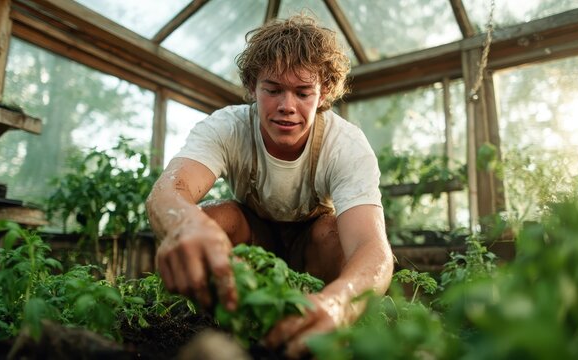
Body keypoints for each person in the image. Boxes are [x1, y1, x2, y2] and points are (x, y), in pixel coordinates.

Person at [146, 15, 393, 358]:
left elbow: (371, 247)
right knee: (217, 218)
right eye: (273, 89)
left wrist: (340, 303)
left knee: (333, 232)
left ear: (324, 94)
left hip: (313, 247)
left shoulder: (345, 145)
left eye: (303, 92)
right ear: (252, 87)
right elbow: (170, 190)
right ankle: (220, 322)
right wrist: (184, 224)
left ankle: (321, 323)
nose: (287, 106)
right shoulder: (228, 128)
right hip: (254, 239)